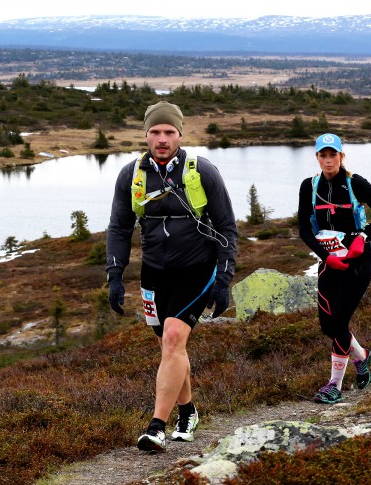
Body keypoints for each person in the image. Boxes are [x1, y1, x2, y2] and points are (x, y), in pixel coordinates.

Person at [106, 101, 238, 452]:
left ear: (180, 134)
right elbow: (119, 227)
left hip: (197, 268)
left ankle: (156, 427)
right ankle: (189, 411)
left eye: (169, 132)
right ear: (146, 134)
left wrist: (224, 280)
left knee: (173, 339)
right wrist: (115, 275)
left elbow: (226, 227)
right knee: (170, 350)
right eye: (155, 132)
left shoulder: (201, 171)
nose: (162, 139)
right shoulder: (131, 175)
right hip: (154, 272)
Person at [297, 133, 371, 404]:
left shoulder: (354, 183)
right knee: (327, 325)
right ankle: (362, 356)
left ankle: (334, 386)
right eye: (323, 155)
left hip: (357, 261)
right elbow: (304, 227)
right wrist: (324, 257)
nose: (328, 160)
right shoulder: (309, 186)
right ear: (317, 157)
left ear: (341, 156)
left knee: (339, 320)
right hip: (329, 261)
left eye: (333, 155)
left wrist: (364, 237)